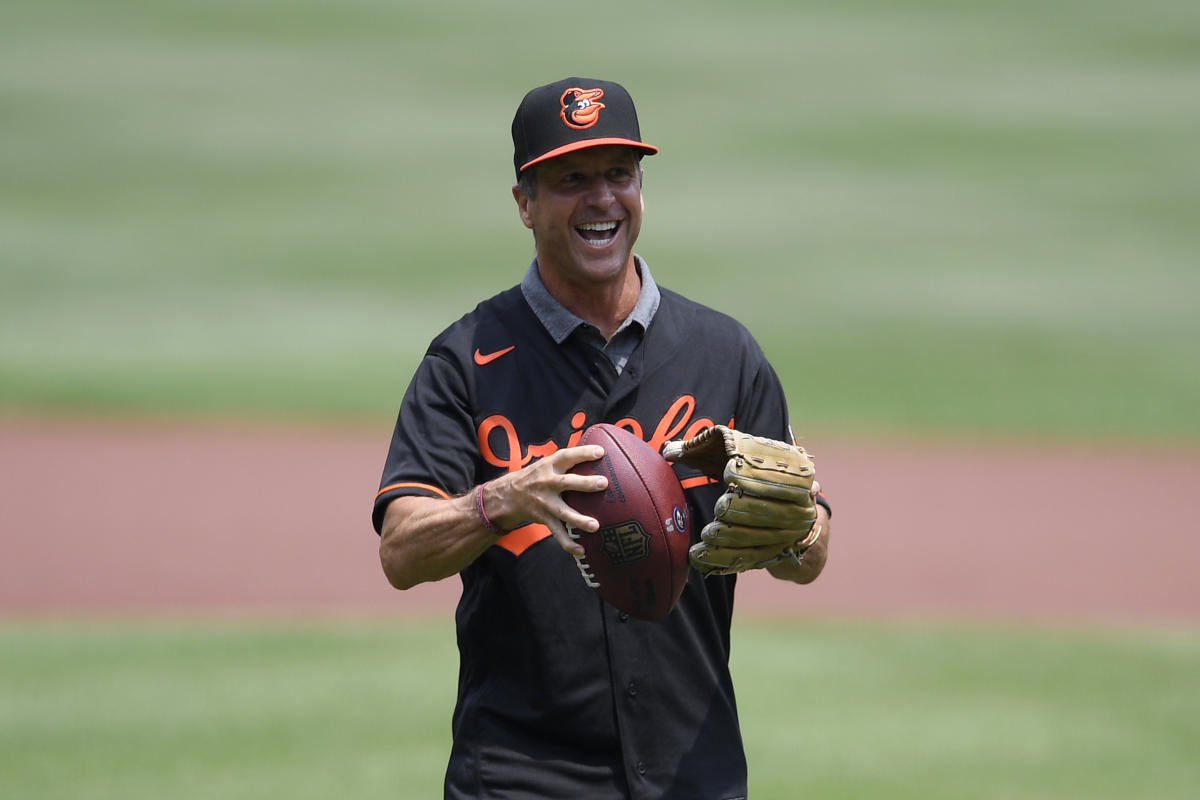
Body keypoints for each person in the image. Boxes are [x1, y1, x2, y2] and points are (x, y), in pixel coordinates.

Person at [373, 77, 832, 800]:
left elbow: (810, 554)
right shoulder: (466, 362)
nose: (601, 199)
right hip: (522, 775)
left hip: (694, 771)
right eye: (570, 180)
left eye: (620, 174)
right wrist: (504, 498)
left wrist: (798, 531)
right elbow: (400, 551)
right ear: (524, 203)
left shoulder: (724, 353)